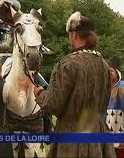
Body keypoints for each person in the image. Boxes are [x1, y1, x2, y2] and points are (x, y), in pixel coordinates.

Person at [33, 11, 116, 157]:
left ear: (74, 35)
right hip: (97, 136)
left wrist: (39, 93)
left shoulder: (67, 64)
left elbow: (53, 105)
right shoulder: (103, 64)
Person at [106, 56, 124, 158]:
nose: (108, 73)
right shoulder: (103, 88)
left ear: (117, 73)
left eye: (111, 71)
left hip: (121, 130)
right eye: (107, 71)